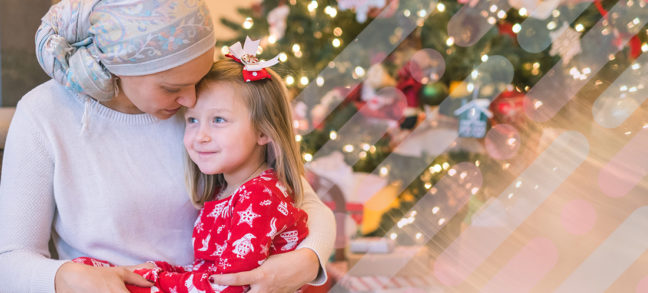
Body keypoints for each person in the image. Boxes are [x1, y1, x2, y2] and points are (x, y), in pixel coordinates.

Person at [0, 1, 335, 292]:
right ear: (119, 68)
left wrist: (307, 262)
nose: (190, 100)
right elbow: (10, 260)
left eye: (197, 80)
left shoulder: (207, 105)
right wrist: (66, 278)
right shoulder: (45, 114)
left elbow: (300, 200)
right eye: (171, 87)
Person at [74, 38, 311, 293]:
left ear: (264, 132)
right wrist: (150, 271)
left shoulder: (260, 197)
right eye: (192, 120)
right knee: (88, 271)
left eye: (218, 119)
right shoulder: (227, 191)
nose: (201, 136)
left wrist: (157, 280)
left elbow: (230, 284)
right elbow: (204, 269)